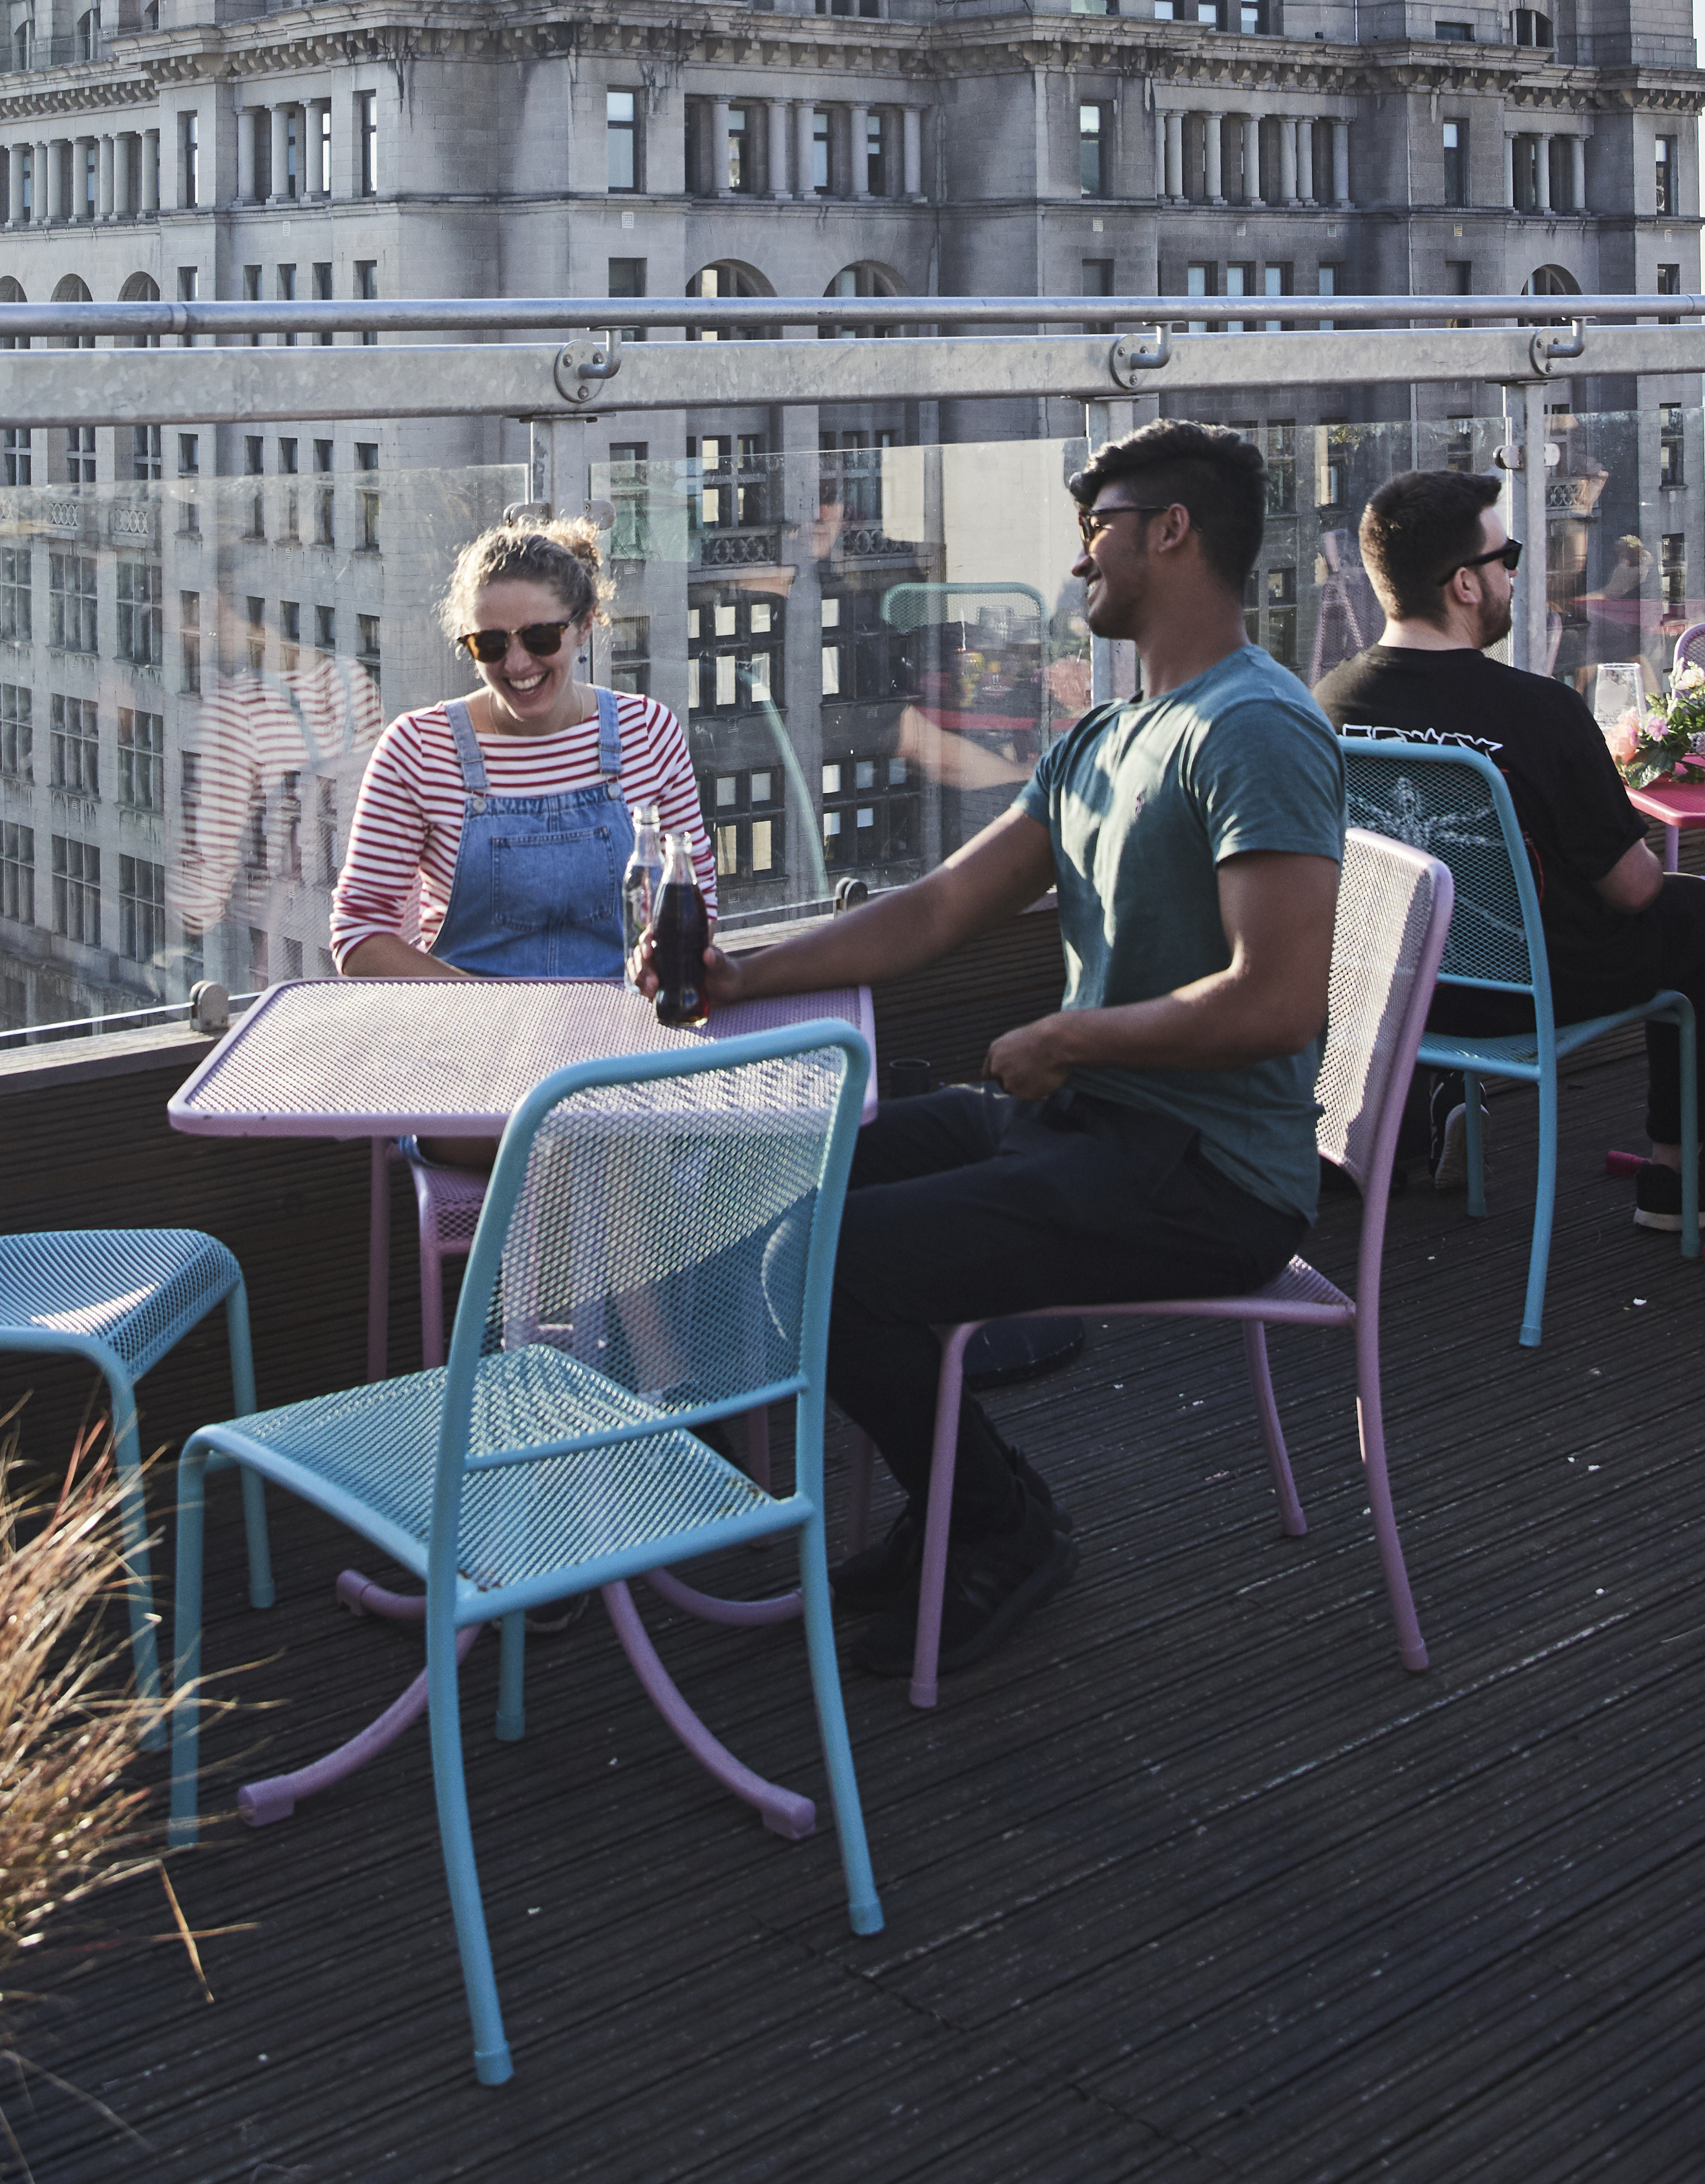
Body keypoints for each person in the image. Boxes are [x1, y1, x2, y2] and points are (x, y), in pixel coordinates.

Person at [664, 420, 1341, 1686]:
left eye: (1099, 524)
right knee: (796, 1178)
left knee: (827, 1261)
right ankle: (974, 1497)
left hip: (1205, 1172)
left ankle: (995, 1524)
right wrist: (742, 974)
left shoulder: (1253, 727)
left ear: (1170, 529)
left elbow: (1279, 1000)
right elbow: (935, 909)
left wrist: (1072, 1032)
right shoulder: (1109, 732)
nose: (1082, 553)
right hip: (1087, 1123)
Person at [1315, 467, 1705, 1233]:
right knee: (1697, 912)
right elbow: (1634, 891)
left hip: (1386, 994)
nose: (1515, 572)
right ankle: (1679, 1176)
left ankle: (1420, 1109)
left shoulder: (1324, 707)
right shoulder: (1540, 712)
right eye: (1505, 556)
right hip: (1530, 991)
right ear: (1463, 585)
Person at [331, 516, 715, 981]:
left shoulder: (649, 732)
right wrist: (494, 1012)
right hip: (470, 1038)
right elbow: (360, 933)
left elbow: (697, 901)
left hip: (624, 1029)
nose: (516, 663)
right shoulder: (416, 749)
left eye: (540, 637)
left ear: (584, 625)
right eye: (489, 644)